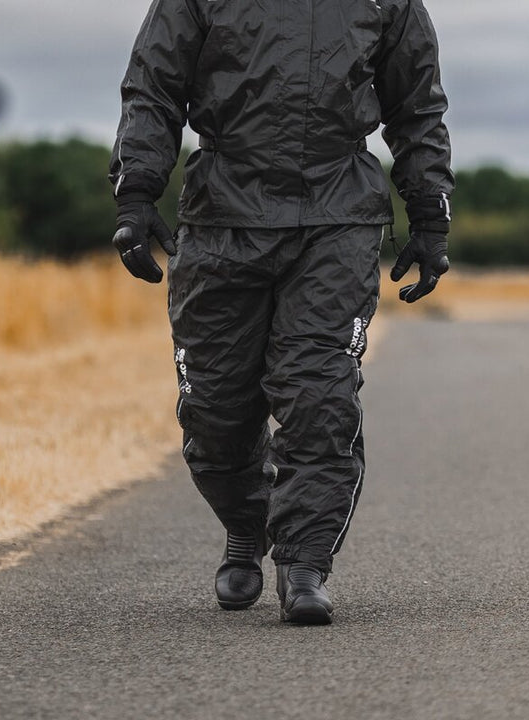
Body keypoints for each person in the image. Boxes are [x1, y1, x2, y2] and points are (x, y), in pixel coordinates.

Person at [109, 0, 453, 624]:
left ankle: (304, 563)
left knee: (318, 394)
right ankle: (247, 524)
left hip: (337, 218)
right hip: (221, 219)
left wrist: (429, 212)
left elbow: (416, 105)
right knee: (215, 409)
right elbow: (153, 87)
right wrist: (136, 192)